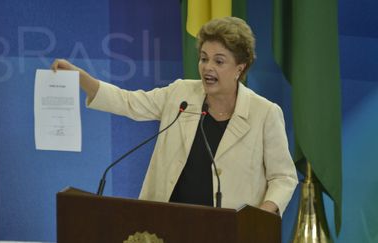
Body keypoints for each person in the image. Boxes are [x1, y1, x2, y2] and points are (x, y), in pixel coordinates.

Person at [51, 16, 298, 216]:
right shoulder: (181, 93)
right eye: (204, 58)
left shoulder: (264, 113)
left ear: (240, 68)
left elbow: (283, 177)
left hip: (228, 230)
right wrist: (82, 78)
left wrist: (262, 215)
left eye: (219, 61)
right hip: (167, 223)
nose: (207, 67)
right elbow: (128, 103)